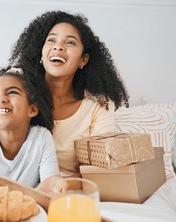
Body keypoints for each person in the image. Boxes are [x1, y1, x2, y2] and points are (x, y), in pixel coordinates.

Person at [9, 11, 130, 176]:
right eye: (51, 40)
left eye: (70, 43)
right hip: (16, 182)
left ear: (83, 59)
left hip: (69, 188)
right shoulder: (17, 83)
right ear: (41, 53)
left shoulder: (99, 105)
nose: (58, 46)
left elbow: (97, 170)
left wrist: (55, 186)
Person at [0, 65, 60, 189]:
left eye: (12, 92)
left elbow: (50, 184)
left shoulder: (42, 137)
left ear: (33, 109)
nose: (1, 99)